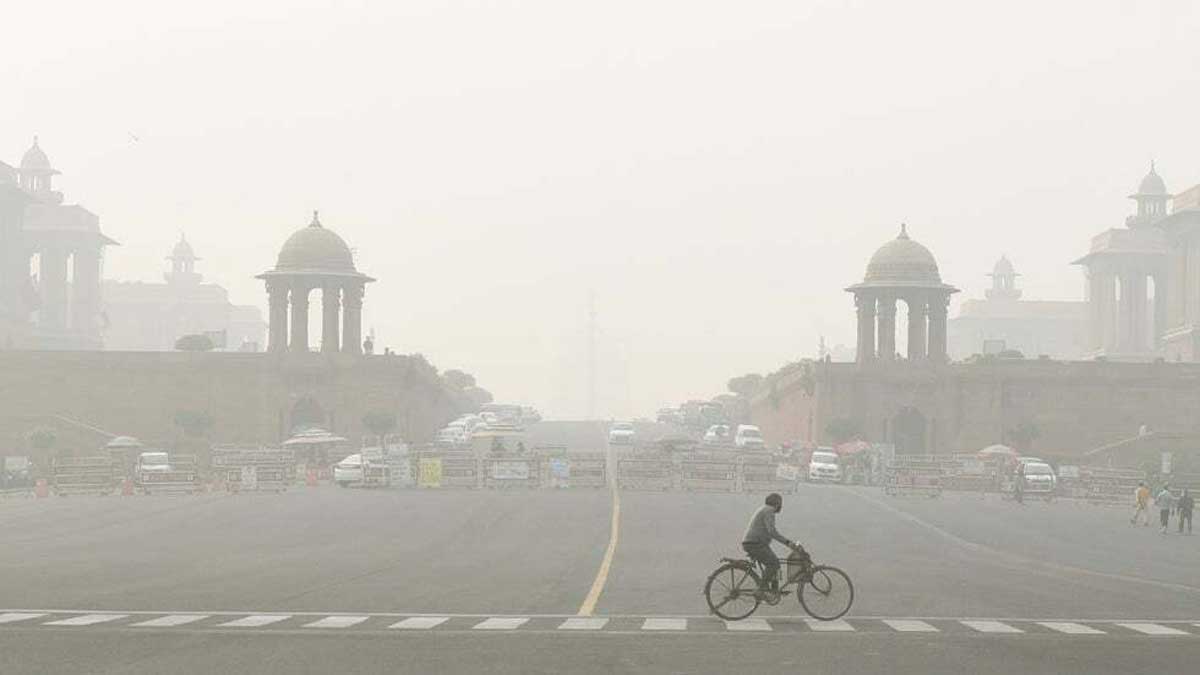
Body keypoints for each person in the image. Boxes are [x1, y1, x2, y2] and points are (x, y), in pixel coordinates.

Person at [742, 493, 807, 602]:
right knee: (774, 564)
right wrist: (788, 543)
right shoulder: (769, 511)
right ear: (777, 504)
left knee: (776, 565)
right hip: (754, 544)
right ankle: (761, 589)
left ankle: (774, 590)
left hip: (756, 543)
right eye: (780, 504)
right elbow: (772, 531)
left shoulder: (764, 509)